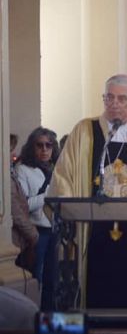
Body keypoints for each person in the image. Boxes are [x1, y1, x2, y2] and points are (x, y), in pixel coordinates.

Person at [49, 74, 127, 326]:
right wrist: (67, 205)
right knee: (85, 292)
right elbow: (63, 176)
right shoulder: (84, 132)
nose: (114, 104)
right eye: (109, 97)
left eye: (122, 98)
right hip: (89, 234)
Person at [15, 127, 60, 309]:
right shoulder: (23, 170)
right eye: (39, 145)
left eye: (48, 145)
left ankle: (49, 318)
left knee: (53, 279)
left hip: (56, 229)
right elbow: (23, 205)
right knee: (35, 278)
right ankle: (32, 320)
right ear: (32, 147)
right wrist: (48, 195)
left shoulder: (57, 169)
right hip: (36, 232)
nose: (44, 150)